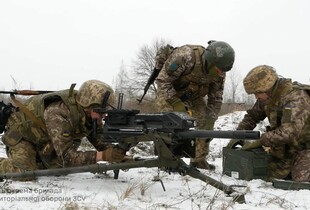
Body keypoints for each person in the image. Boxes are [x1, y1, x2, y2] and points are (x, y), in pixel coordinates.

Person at [0, 80, 126, 175]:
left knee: (56, 169)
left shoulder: (92, 115)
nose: (103, 115)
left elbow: (101, 143)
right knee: (24, 172)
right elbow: (67, 157)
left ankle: (35, 159)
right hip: (22, 136)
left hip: (44, 139)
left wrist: (119, 154)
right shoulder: (58, 113)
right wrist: (103, 156)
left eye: (105, 111)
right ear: (88, 106)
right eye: (100, 111)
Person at [155, 40, 235, 169]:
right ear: (210, 61)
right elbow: (163, 81)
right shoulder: (186, 56)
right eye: (218, 69)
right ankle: (167, 160)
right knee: (172, 120)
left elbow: (216, 98)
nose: (221, 73)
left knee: (204, 120)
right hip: (169, 94)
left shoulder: (220, 72)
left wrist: (211, 119)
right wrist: (177, 104)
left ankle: (198, 160)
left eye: (223, 71)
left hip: (193, 96)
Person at [227, 65, 310, 182]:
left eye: (258, 92)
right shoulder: (266, 98)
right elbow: (252, 117)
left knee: (301, 178)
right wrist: (239, 135)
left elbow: (290, 132)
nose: (256, 96)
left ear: (268, 87)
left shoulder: (296, 97)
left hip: (305, 147)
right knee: (266, 173)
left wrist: (261, 140)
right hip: (287, 149)